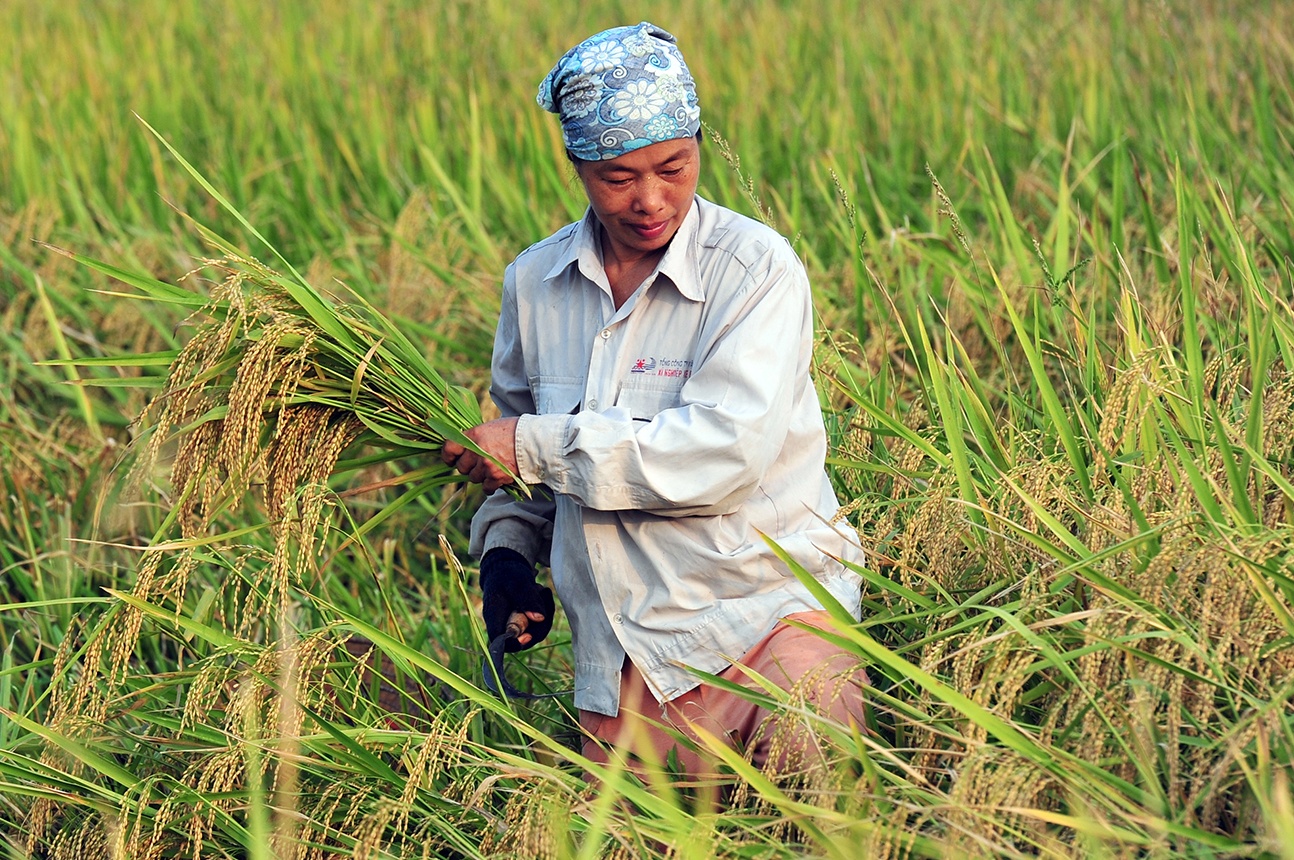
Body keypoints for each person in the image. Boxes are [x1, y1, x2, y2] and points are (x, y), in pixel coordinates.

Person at [441, 22, 867, 780]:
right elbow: (517, 458)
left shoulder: (754, 271)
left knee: (821, 797)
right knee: (625, 833)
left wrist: (531, 447)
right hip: (627, 655)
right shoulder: (535, 284)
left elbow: (722, 456)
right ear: (576, 166)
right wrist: (507, 557)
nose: (650, 200)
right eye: (617, 177)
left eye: (674, 167)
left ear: (699, 143)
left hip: (771, 620)